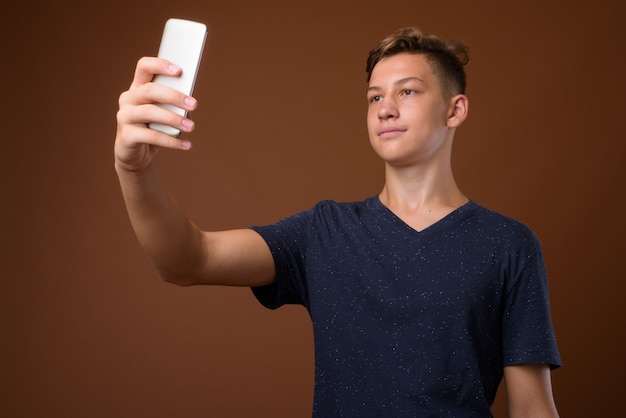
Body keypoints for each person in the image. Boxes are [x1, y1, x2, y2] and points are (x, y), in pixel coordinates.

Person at [115, 26, 561, 417]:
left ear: (455, 110)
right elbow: (188, 260)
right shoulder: (323, 233)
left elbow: (532, 407)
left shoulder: (509, 244)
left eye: (407, 91)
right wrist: (134, 169)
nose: (385, 108)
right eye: (374, 97)